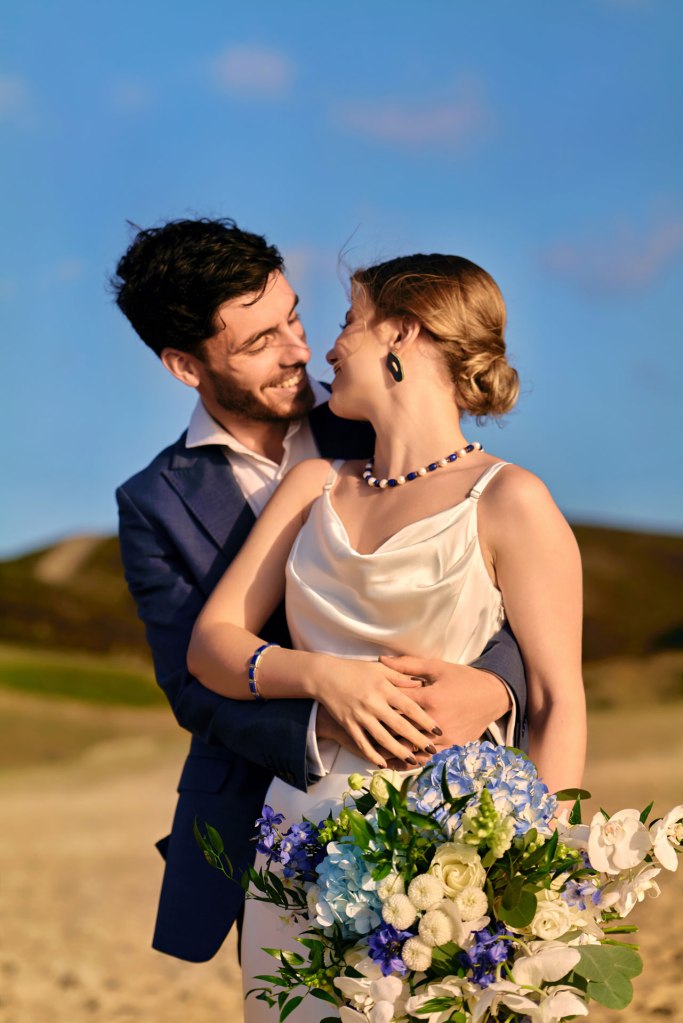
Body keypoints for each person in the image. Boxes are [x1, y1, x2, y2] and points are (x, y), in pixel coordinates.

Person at [113, 219, 528, 967]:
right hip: (282, 817)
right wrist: (331, 713)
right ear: (185, 365)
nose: (300, 349)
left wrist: (494, 689)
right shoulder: (154, 502)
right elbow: (189, 681)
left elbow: (494, 584)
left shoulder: (379, 421)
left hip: (452, 789)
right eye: (257, 342)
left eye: (294, 317)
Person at [185, 251, 586, 1021]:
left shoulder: (508, 498)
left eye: (347, 323)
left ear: (402, 331)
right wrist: (324, 677)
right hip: (299, 843)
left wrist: (537, 873)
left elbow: (557, 698)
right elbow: (212, 643)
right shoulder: (313, 486)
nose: (327, 348)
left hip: (454, 854)